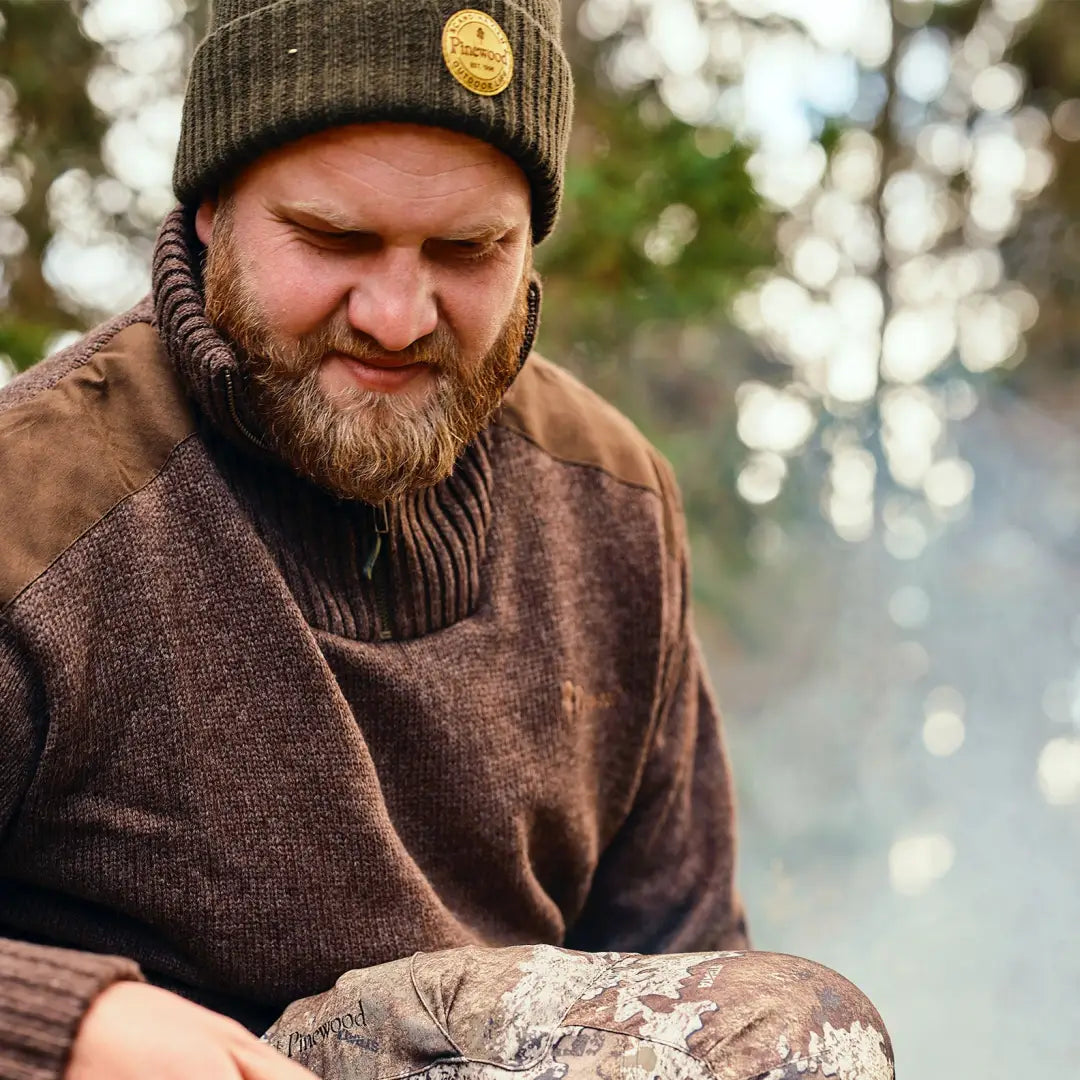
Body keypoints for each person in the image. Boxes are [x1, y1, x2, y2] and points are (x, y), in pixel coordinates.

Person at [0, 2, 894, 1078]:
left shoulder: (610, 504)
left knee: (802, 1032)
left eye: (469, 250)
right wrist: (68, 1024)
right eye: (333, 238)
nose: (394, 314)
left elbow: (684, 961)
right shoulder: (39, 508)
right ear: (210, 211)